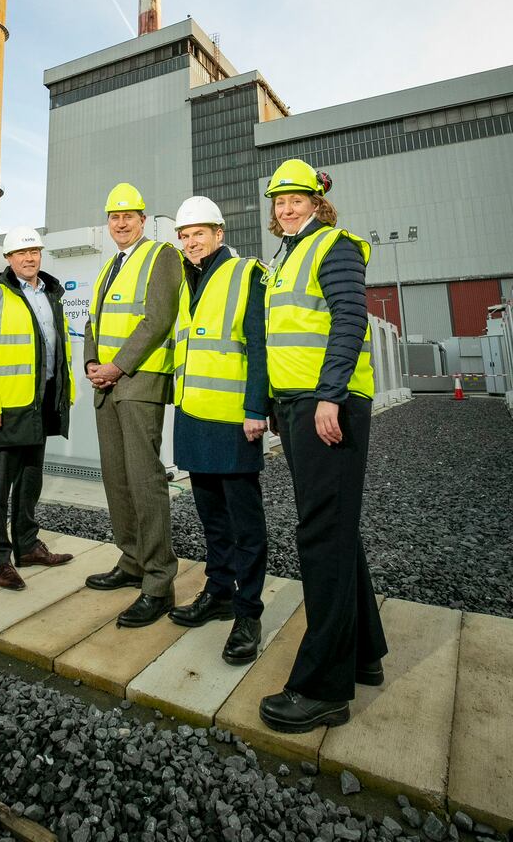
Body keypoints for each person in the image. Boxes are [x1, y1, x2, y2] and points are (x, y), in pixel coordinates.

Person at [258, 160, 388, 733]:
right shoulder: (285, 258)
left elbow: (350, 318)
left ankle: (323, 688)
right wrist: (277, 405)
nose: (286, 209)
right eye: (280, 201)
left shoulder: (332, 247)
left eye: (296, 199)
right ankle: (363, 654)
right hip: (301, 405)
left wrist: (330, 395)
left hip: (327, 405)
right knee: (335, 529)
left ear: (317, 201)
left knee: (321, 535)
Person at [167, 197, 270, 666]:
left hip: (233, 420)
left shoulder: (244, 272)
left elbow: (257, 344)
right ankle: (219, 591)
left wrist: (256, 408)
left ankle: (248, 612)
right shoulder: (188, 280)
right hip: (193, 416)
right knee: (211, 517)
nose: (191, 242)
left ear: (219, 234)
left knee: (245, 523)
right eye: (185, 236)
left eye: (199, 234)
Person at [84, 182, 182, 627]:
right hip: (105, 385)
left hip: (138, 383)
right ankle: (131, 561)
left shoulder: (161, 255)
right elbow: (92, 322)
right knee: (117, 479)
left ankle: (159, 582)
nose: (121, 223)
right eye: (114, 217)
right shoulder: (108, 269)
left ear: (143, 220)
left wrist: (116, 367)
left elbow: (159, 318)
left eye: (129, 216)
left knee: (145, 481)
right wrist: (91, 362)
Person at [0, 226, 74, 591]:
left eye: (35, 252)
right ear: (9, 259)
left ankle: (27, 546)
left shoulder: (51, 295)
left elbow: (59, 348)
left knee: (30, 480)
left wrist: (63, 392)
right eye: (22, 254)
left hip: (40, 402)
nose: (29, 259)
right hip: (5, 406)